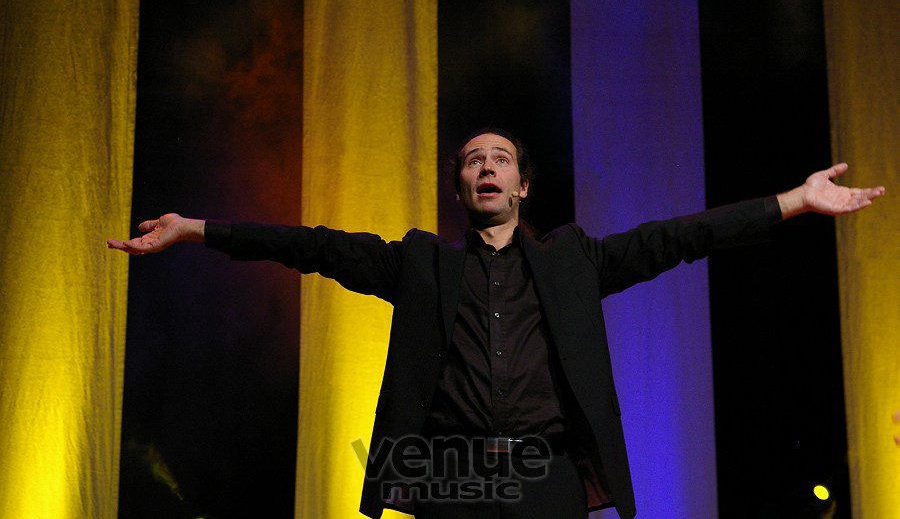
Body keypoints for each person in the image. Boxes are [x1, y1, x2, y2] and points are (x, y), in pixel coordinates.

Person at [108, 129, 885, 519]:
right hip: (451, 477)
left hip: (547, 478)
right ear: (460, 188)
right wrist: (197, 228)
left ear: (521, 186)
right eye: (473, 159)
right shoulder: (420, 265)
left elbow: (681, 237)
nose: (486, 165)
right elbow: (310, 246)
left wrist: (793, 201)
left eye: (501, 158)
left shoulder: (573, 260)